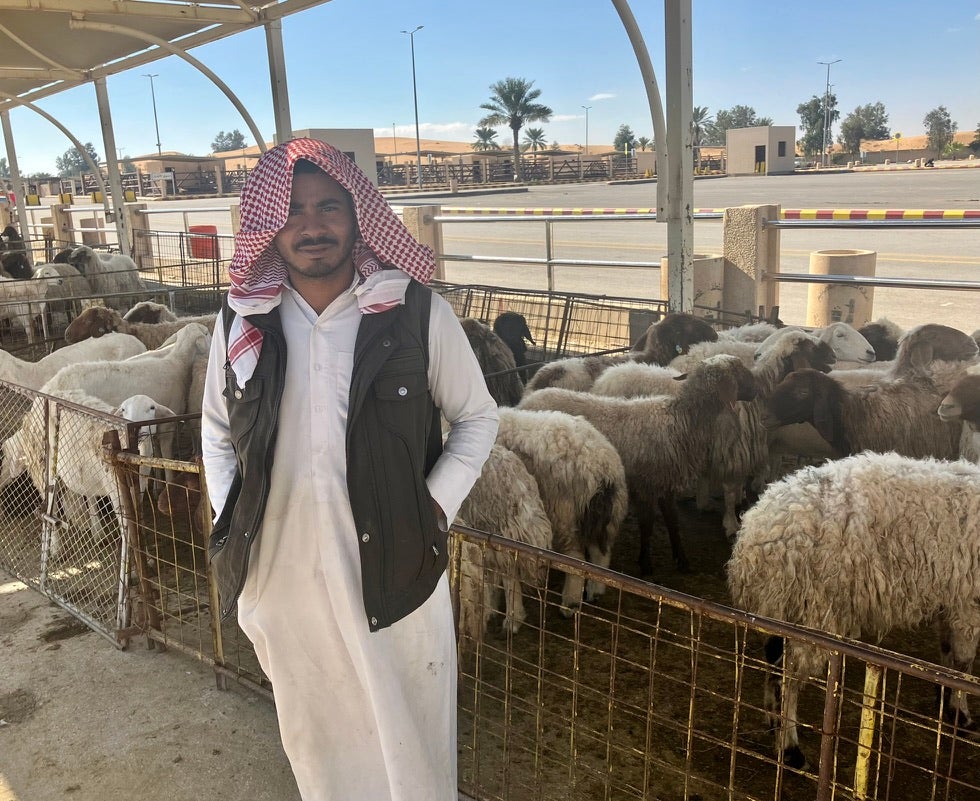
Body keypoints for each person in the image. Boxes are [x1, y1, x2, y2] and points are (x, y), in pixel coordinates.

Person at [200, 137, 499, 801]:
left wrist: (431, 511)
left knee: (408, 747)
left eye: (329, 206)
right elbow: (216, 431)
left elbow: (478, 418)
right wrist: (231, 518)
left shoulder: (414, 313)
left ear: (358, 216)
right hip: (283, 583)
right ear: (270, 225)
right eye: (295, 209)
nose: (312, 225)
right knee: (317, 747)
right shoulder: (242, 319)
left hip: (393, 577)